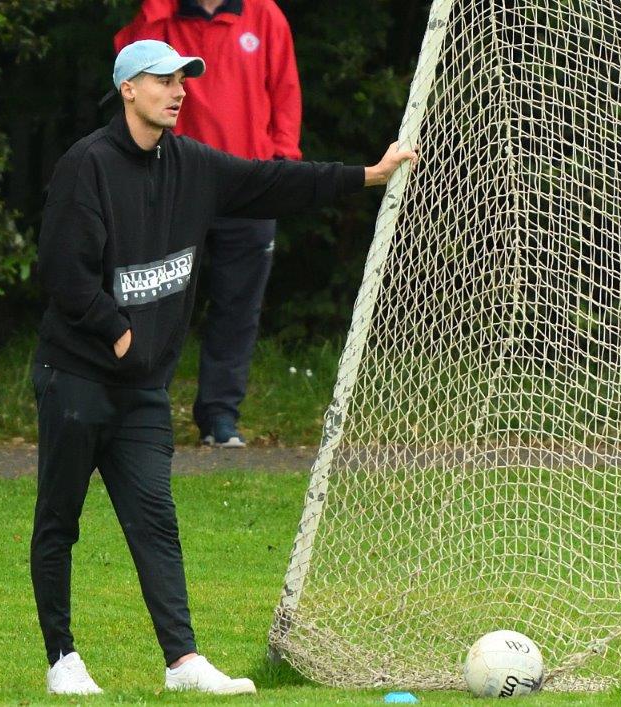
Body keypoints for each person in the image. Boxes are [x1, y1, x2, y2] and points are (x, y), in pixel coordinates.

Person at [31, 39, 415, 696]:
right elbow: (64, 273)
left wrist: (365, 176)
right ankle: (62, 657)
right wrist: (116, 330)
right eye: (164, 80)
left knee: (155, 518)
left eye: (184, 80)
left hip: (144, 391)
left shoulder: (192, 165)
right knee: (59, 519)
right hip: (78, 380)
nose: (179, 90)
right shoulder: (86, 166)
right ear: (128, 88)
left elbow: (272, 181)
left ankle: (182, 661)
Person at [115, 0, 302, 447]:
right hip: (176, 186)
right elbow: (126, 60)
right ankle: (143, 407)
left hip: (248, 186)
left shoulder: (265, 14)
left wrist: (281, 161)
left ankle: (219, 418)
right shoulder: (162, 15)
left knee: (238, 308)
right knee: (154, 299)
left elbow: (286, 91)